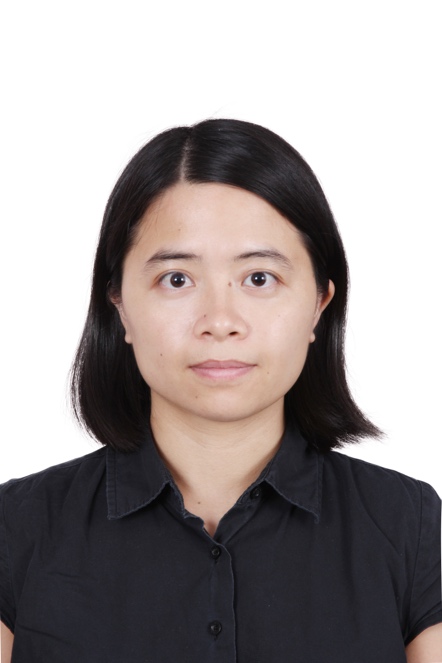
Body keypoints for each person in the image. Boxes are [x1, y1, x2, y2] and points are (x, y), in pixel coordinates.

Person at [0, 119, 441, 662]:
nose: (220, 321)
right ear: (119, 305)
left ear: (319, 305)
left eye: (259, 278)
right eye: (177, 279)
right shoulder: (17, 528)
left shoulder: (411, 526)